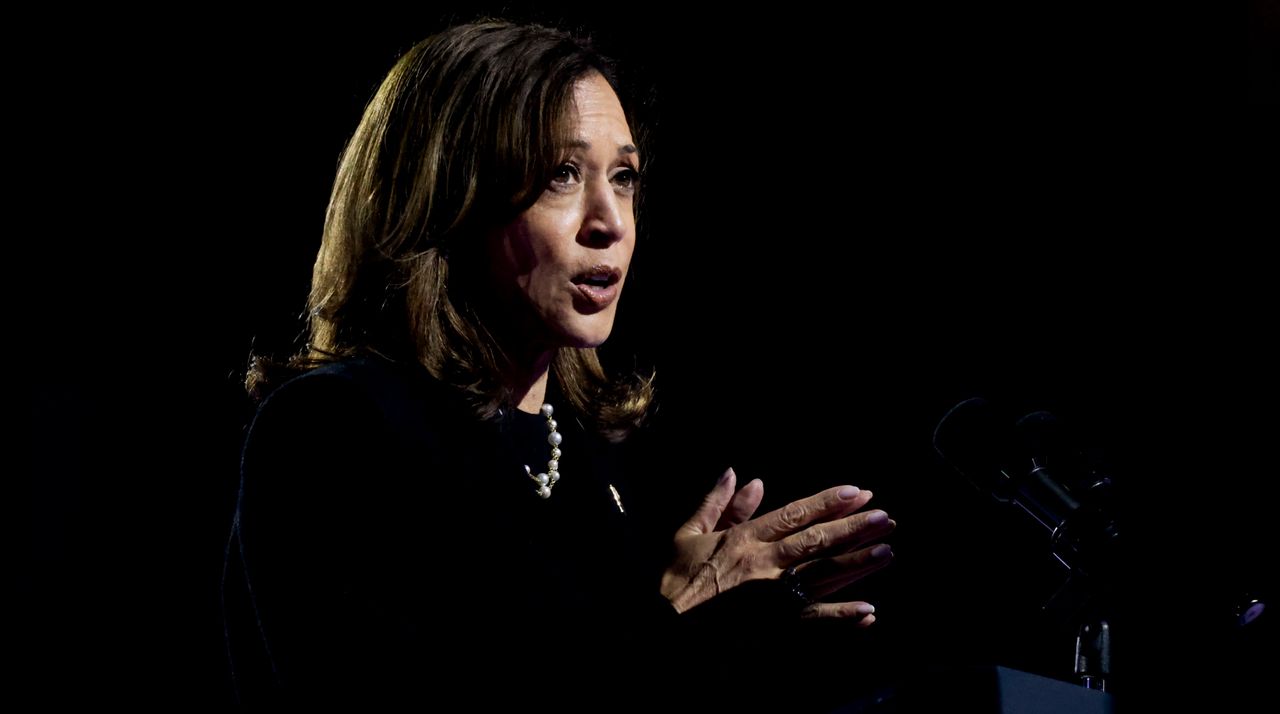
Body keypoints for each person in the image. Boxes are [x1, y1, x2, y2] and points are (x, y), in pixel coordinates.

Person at [220, 18, 896, 710]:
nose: (610, 221)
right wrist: (679, 617)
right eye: (561, 175)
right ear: (447, 198)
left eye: (625, 177)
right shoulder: (333, 428)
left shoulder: (595, 460)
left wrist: (744, 652)